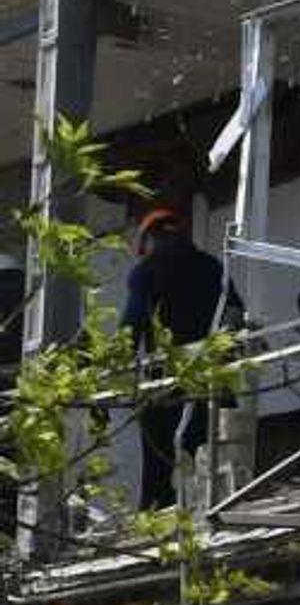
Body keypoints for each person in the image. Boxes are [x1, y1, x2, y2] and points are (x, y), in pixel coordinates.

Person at [119, 206, 227, 513]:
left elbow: (130, 330)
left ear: (149, 239)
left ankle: (156, 530)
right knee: (210, 470)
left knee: (159, 477)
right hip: (211, 384)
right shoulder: (213, 267)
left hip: (165, 388)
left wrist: (114, 376)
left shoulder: (147, 271)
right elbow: (233, 316)